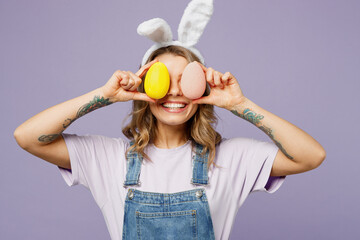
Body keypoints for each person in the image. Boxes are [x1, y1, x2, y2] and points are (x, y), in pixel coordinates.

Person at [14, 45, 326, 239]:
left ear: (202, 88)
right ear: (144, 86)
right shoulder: (109, 158)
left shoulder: (230, 158)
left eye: (186, 80)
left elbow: (310, 156)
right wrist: (104, 96)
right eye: (163, 80)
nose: (175, 91)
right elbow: (27, 137)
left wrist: (238, 103)